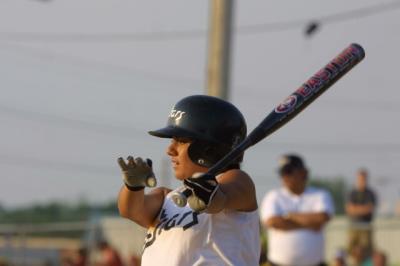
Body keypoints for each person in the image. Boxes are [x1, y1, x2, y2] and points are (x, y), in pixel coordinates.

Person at [117, 95, 260, 265]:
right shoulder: (166, 197)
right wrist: (133, 187)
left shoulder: (236, 180)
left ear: (208, 149)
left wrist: (211, 196)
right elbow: (131, 211)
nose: (170, 150)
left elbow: (222, 199)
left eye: (181, 141)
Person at [260, 154, 334, 266]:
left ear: (303, 173)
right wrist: (310, 224)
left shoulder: (320, 195)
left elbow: (323, 217)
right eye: (282, 173)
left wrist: (289, 216)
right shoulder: (273, 196)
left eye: (289, 172)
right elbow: (272, 221)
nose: (285, 176)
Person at [345, 168, 377, 263]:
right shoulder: (352, 193)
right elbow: (349, 209)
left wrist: (356, 209)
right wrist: (363, 209)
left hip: (366, 227)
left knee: (366, 251)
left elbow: (370, 208)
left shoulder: (370, 193)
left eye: (364, 178)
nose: (362, 180)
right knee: (352, 250)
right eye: (360, 178)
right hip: (353, 226)